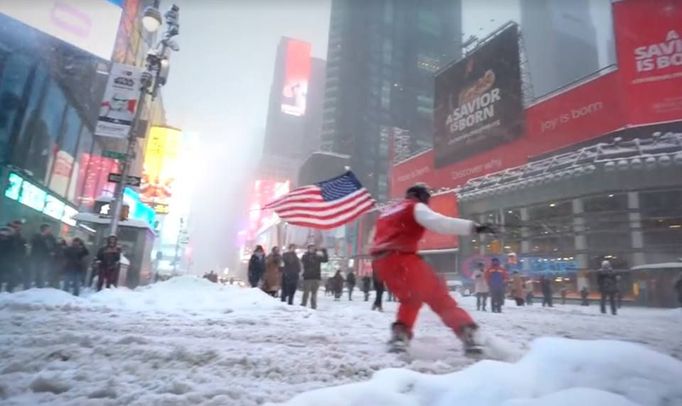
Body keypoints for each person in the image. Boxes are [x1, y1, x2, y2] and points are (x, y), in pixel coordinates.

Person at [371, 184, 495, 354]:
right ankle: (467, 333)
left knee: (410, 299)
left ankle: (400, 336)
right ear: (422, 197)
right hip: (403, 259)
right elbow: (440, 223)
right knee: (438, 295)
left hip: (383, 263)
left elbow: (376, 240)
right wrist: (473, 227)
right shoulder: (415, 206)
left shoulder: (386, 213)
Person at [0, 221, 26, 292]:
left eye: (19, 227)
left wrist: (21, 259)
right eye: (16, 226)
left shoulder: (20, 237)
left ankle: (9, 290)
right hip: (4, 258)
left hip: (14, 260)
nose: (18, 228)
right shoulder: (5, 232)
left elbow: (22, 249)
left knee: (13, 276)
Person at [300, 245, 328, 309]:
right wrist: (311, 256)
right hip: (307, 277)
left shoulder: (317, 256)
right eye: (311, 248)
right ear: (308, 249)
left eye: (313, 248)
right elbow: (303, 261)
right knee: (306, 292)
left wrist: (324, 252)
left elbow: (325, 260)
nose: (312, 249)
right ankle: (303, 304)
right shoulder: (305, 256)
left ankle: (313, 305)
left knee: (314, 293)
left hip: (316, 277)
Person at [29, 224, 57, 288]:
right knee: (33, 272)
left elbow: (54, 246)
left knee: (42, 272)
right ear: (44, 229)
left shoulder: (51, 237)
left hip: (45, 258)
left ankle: (40, 286)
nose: (50, 230)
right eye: (48, 229)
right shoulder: (36, 236)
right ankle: (30, 286)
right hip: (35, 257)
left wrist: (53, 251)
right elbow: (31, 243)